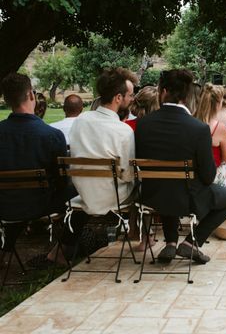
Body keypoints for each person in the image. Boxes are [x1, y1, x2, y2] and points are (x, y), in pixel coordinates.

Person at [135, 69, 226, 264]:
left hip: (152, 196)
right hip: (187, 199)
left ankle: (171, 243)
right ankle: (192, 242)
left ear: (163, 92)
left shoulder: (143, 125)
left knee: (168, 185)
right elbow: (208, 177)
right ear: (187, 96)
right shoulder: (198, 129)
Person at [64, 68, 138, 248]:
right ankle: (137, 235)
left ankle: (64, 247)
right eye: (128, 96)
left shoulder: (81, 120)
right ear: (118, 98)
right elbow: (128, 175)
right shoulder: (123, 130)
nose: (131, 99)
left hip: (83, 194)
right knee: (142, 186)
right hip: (114, 198)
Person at [0, 73, 72, 252]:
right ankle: (63, 247)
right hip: (39, 205)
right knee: (77, 187)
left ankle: (7, 248)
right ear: (31, 95)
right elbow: (61, 180)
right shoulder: (51, 135)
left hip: (3, 204)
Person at [195, 83, 226, 169]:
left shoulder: (190, 121)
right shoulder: (220, 128)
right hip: (212, 175)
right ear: (218, 104)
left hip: (191, 174)